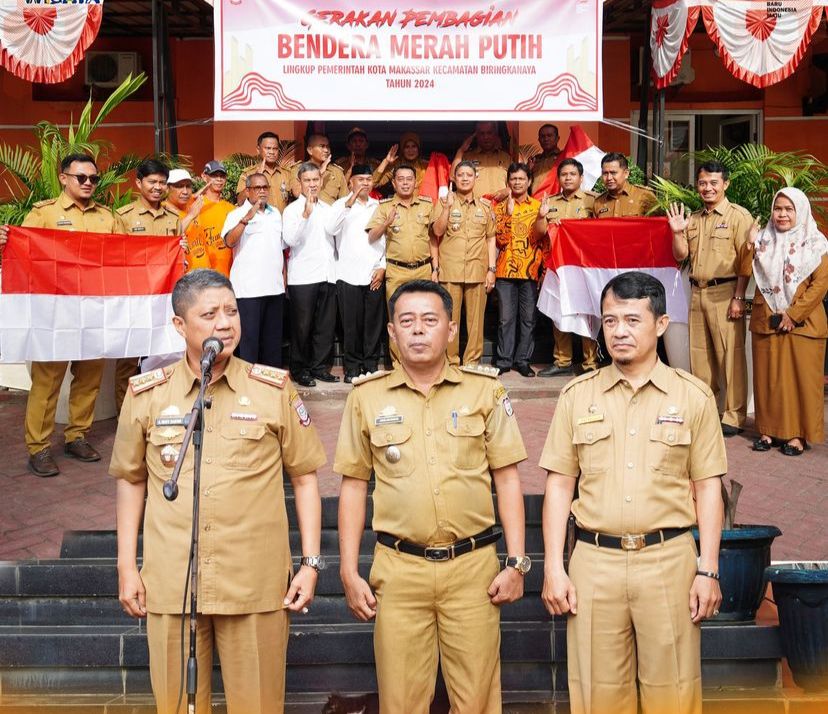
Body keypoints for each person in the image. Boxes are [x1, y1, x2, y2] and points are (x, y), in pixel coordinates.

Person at [111, 268, 324, 714]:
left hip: (254, 581)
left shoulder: (274, 389)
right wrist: (127, 567)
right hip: (172, 582)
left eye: (232, 311)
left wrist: (310, 563)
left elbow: (305, 478)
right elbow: (132, 480)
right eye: (209, 314)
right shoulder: (147, 394)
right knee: (175, 705)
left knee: (259, 705)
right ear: (180, 326)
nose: (225, 323)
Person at [335, 280, 529, 714]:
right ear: (391, 332)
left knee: (477, 701)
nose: (418, 330)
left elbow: (508, 478)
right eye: (407, 321)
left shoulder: (485, 391)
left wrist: (517, 561)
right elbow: (353, 485)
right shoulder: (365, 398)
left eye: (429, 320)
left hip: (473, 571)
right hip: (400, 572)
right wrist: (348, 570)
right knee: (401, 701)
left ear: (452, 329)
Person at [540, 271, 725, 714]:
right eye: (609, 321)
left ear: (660, 325)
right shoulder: (576, 396)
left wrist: (709, 569)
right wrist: (552, 566)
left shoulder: (693, 397)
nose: (619, 331)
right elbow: (559, 484)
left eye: (631, 319)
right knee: (596, 695)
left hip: (668, 562)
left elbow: (708, 487)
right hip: (594, 564)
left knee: (673, 694)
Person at [0, 153, 117, 477]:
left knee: (89, 379)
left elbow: (124, 256)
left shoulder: (107, 218)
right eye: (82, 178)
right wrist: (4, 244)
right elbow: (20, 254)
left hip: (94, 310)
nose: (89, 183)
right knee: (46, 383)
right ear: (63, 178)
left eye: (94, 178)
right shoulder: (43, 214)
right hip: (54, 314)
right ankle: (37, 448)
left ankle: (76, 436)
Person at [667, 161, 754, 436]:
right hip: (697, 292)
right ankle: (707, 410)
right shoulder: (692, 218)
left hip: (726, 292)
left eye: (714, 183)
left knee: (731, 356)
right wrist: (678, 231)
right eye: (703, 183)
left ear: (725, 184)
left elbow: (746, 261)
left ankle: (734, 414)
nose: (708, 188)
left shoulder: (739, 216)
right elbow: (681, 256)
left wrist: (739, 296)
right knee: (700, 357)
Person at [749, 187, 828, 455]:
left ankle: (798, 435)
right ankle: (767, 431)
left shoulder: (816, 242)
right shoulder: (761, 239)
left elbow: (821, 284)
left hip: (804, 324)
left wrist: (793, 314)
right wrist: (749, 245)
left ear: (801, 212)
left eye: (788, 209)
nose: (781, 214)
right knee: (768, 380)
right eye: (778, 208)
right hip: (767, 321)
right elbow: (741, 270)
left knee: (800, 381)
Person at [113, 159, 181, 413]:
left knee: (164, 353)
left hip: (164, 299)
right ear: (138, 183)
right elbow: (116, 258)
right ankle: (126, 413)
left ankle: (160, 407)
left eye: (162, 183)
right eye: (152, 182)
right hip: (134, 297)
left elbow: (177, 254)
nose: (157, 187)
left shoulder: (173, 217)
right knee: (129, 358)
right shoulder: (123, 217)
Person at [366, 163, 435, 364]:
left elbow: (434, 237)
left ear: (416, 183)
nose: (405, 183)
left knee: (424, 318)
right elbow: (372, 236)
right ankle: (398, 365)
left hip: (423, 270)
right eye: (401, 180)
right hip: (396, 271)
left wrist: (435, 268)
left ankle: (422, 361)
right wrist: (386, 223)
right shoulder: (385, 207)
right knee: (399, 319)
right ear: (394, 184)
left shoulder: (427, 205)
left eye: (409, 179)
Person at [536, 158, 599, 377]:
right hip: (559, 266)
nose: (568, 178)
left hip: (584, 267)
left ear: (581, 178)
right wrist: (542, 216)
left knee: (586, 312)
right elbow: (540, 233)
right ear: (559, 178)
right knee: (559, 311)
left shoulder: (594, 201)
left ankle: (590, 362)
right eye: (564, 174)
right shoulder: (549, 201)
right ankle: (562, 361)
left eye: (573, 174)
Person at [431, 160, 497, 366]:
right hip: (450, 270)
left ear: (475, 178)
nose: (465, 178)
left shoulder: (485, 207)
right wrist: (446, 209)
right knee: (450, 320)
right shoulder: (443, 202)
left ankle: (472, 363)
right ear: (454, 178)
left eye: (469, 175)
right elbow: (437, 232)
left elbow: (491, 238)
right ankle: (450, 361)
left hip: (478, 271)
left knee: (476, 322)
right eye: (461, 175)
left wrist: (491, 270)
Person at [326, 164, 385, 383]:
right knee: (351, 325)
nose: (365, 184)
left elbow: (385, 240)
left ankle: (370, 366)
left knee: (372, 324)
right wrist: (349, 202)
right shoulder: (340, 205)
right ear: (351, 182)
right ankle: (352, 368)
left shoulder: (378, 206)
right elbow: (331, 229)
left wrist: (382, 266)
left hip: (373, 273)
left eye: (368, 180)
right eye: (360, 180)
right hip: (348, 274)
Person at [221, 172, 286, 368]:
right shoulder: (236, 213)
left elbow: (280, 250)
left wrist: (283, 279)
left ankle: (270, 387)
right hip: (248, 290)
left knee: (273, 344)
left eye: (265, 187)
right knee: (249, 343)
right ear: (247, 190)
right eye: (257, 188)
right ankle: (247, 387)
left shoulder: (276, 214)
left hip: (274, 289)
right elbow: (229, 242)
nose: (262, 192)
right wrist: (245, 219)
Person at [282, 162, 339, 387]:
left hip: (327, 274)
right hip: (303, 277)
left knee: (325, 326)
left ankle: (320, 367)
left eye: (316, 180)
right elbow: (290, 241)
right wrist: (305, 215)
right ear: (300, 183)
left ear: (321, 181)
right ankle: (299, 369)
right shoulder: (291, 210)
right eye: (308, 181)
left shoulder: (328, 209)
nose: (312, 184)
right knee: (302, 327)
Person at [493, 162, 545, 377]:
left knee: (528, 318)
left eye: (521, 178)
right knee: (506, 318)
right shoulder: (498, 207)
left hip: (530, 270)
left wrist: (542, 217)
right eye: (513, 179)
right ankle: (504, 360)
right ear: (508, 182)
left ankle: (522, 360)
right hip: (505, 270)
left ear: (529, 181)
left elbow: (541, 238)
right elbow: (500, 240)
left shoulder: (538, 206)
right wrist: (507, 214)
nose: (517, 182)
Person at [184, 161, 236, 277]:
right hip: (202, 275)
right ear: (204, 176)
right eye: (214, 175)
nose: (218, 179)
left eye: (222, 176)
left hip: (228, 273)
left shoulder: (232, 209)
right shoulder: (194, 205)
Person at [452, 121, 511, 201]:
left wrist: (507, 190)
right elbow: (452, 177)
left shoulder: (506, 158)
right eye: (482, 133)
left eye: (489, 133)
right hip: (476, 210)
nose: (485, 137)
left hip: (501, 209)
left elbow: (516, 183)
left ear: (495, 134)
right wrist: (461, 150)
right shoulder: (468, 157)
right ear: (476, 136)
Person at [236, 131, 291, 212]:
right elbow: (240, 201)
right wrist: (256, 177)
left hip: (282, 223)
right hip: (259, 223)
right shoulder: (248, 174)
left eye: (275, 149)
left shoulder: (287, 173)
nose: (272, 152)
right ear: (258, 149)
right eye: (268, 148)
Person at [290, 133, 347, 205]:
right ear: (310, 150)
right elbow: (297, 193)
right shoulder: (298, 169)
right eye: (322, 146)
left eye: (328, 147)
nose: (326, 150)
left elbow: (345, 201)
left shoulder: (336, 172)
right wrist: (319, 173)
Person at [593, 152, 656, 218]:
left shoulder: (644, 196)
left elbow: (659, 225)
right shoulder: (598, 203)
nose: (609, 178)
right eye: (605, 173)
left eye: (613, 173)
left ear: (626, 173)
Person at [529, 123, 561, 195]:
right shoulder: (534, 160)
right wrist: (528, 170)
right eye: (542, 136)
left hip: (555, 201)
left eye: (549, 136)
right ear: (539, 140)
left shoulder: (563, 158)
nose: (546, 139)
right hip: (535, 202)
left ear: (557, 138)